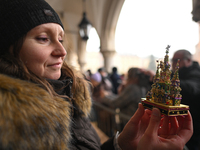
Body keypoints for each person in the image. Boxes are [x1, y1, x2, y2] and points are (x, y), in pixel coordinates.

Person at [0, 0, 193, 149]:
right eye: (43, 38)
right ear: (8, 49)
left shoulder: (69, 95)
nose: (62, 51)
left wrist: (121, 146)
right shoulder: (6, 121)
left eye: (61, 39)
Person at [172, 49, 200, 150]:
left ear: (188, 60)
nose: (173, 63)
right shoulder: (177, 73)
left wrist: (168, 79)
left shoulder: (196, 73)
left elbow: (191, 89)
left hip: (192, 123)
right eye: (173, 60)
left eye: (177, 60)